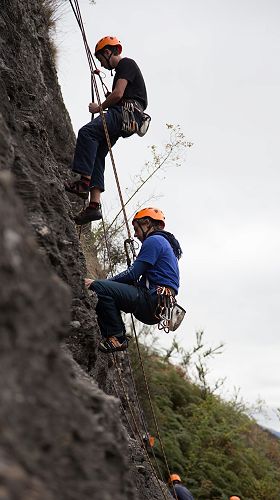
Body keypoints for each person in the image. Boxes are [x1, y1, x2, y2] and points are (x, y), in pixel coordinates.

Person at [65, 35, 148, 225]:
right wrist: (102, 80)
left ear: (108, 52)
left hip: (123, 113)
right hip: (127, 116)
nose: (101, 64)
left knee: (87, 133)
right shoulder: (121, 71)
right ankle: (94, 206)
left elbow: (119, 94)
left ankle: (84, 183)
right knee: (98, 154)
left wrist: (100, 107)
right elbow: (120, 94)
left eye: (101, 58)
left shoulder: (126, 63)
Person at [84, 208, 182, 353]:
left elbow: (132, 274)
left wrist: (100, 284)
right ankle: (114, 334)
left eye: (136, 228)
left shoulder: (154, 241)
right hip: (158, 304)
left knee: (101, 288)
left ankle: (117, 337)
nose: (135, 234)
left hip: (151, 299)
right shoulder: (166, 245)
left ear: (147, 223)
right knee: (109, 292)